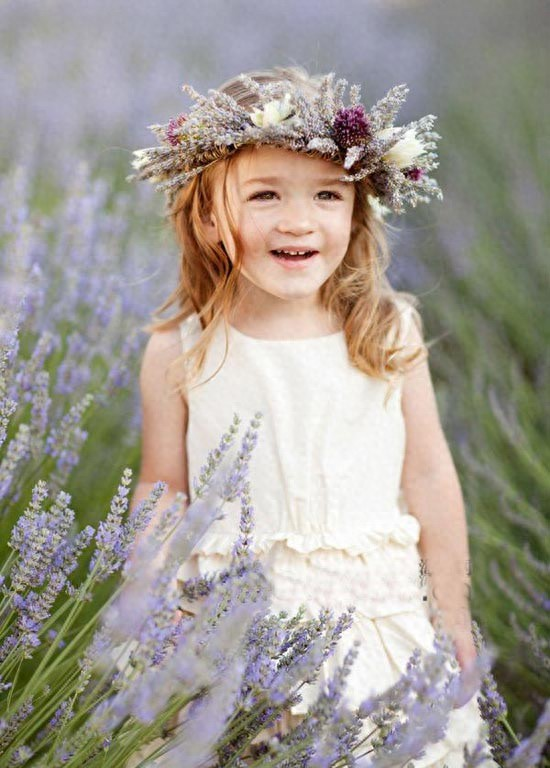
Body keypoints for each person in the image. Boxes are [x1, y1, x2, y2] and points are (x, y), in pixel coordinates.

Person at [127, 65, 497, 766]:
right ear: (208, 217)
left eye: (327, 194)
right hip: (230, 632)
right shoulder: (181, 349)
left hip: (374, 628)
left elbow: (427, 477)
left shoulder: (387, 331)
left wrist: (453, 612)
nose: (298, 220)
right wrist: (146, 605)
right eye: (265, 195)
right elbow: (162, 489)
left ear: (356, 212)